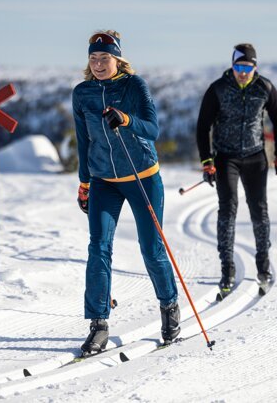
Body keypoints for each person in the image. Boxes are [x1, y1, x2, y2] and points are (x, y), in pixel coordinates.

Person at [72, 30, 180, 354]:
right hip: (104, 179)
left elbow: (153, 129)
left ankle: (169, 306)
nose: (99, 64)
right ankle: (99, 324)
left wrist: (126, 118)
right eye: (94, 58)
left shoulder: (134, 86)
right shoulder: (82, 94)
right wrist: (84, 182)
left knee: (150, 248)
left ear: (118, 59)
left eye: (105, 58)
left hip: (142, 176)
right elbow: (83, 141)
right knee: (99, 247)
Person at [196, 43, 277, 293]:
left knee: (260, 211)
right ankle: (227, 270)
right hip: (226, 158)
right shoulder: (218, 89)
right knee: (228, 210)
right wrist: (207, 162)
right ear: (232, 65)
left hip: (256, 156)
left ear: (254, 67)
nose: (243, 72)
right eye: (239, 66)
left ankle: (263, 266)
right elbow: (202, 126)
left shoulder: (264, 87)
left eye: (247, 67)